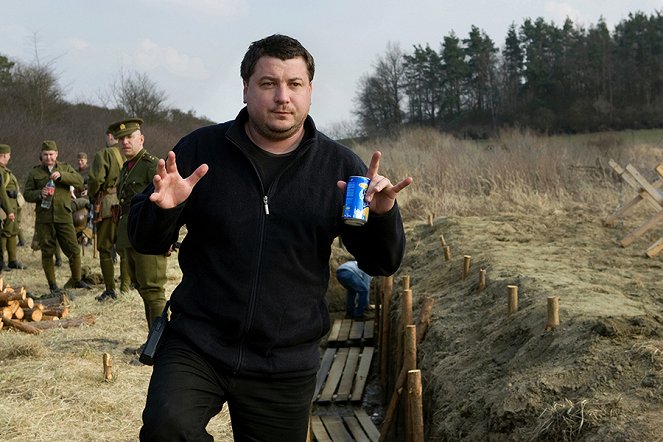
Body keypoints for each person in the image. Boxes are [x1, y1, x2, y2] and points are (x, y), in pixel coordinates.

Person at [129, 34, 412, 441]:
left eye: (295, 84)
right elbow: (145, 242)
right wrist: (164, 209)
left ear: (310, 91)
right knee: (165, 429)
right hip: (198, 342)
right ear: (245, 88)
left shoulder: (340, 168)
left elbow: (381, 263)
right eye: (268, 84)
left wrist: (382, 217)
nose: (283, 96)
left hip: (285, 359)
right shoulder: (199, 150)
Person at [113, 118, 167, 326]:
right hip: (131, 234)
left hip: (149, 235)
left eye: (129, 137)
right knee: (143, 288)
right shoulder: (127, 167)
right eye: (121, 139)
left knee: (153, 291)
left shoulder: (151, 165)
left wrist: (165, 235)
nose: (125, 142)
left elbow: (166, 201)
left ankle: (159, 347)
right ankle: (150, 342)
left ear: (141, 139)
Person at [23, 140, 91, 293]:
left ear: (57, 154)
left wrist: (62, 176)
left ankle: (77, 279)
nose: (48, 157)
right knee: (47, 252)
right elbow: (26, 194)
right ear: (41, 155)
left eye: (51, 154)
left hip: (64, 216)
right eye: (45, 154)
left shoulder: (65, 168)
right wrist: (40, 193)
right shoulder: (35, 173)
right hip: (44, 218)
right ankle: (53, 285)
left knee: (73, 249)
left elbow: (80, 181)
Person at [88, 125, 126, 301]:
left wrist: (92, 194)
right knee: (123, 246)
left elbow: (96, 179)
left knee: (104, 247)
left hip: (107, 204)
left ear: (110, 136)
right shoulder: (124, 155)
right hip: (121, 203)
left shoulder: (104, 154)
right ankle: (125, 285)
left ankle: (110, 289)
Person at [0, 144, 27, 271]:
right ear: (4, 155)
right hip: (5, 208)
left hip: (12, 206)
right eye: (9, 155)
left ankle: (12, 260)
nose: (10, 157)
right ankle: (1, 262)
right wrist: (8, 210)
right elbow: (2, 193)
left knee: (12, 231)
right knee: (4, 233)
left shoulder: (5, 170)